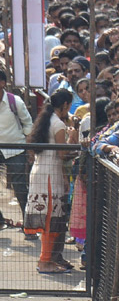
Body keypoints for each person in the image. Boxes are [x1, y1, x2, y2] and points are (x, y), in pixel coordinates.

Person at [26, 88, 76, 274]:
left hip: (42, 172)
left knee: (50, 219)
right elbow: (62, 154)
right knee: (50, 220)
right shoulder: (59, 125)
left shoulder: (45, 121)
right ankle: (45, 261)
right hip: (48, 175)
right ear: (65, 105)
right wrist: (73, 140)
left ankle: (46, 259)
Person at [0, 69, 34, 219]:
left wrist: (27, 147)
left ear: (2, 84)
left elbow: (28, 125)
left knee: (20, 187)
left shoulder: (15, 102)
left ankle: (29, 224)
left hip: (16, 149)